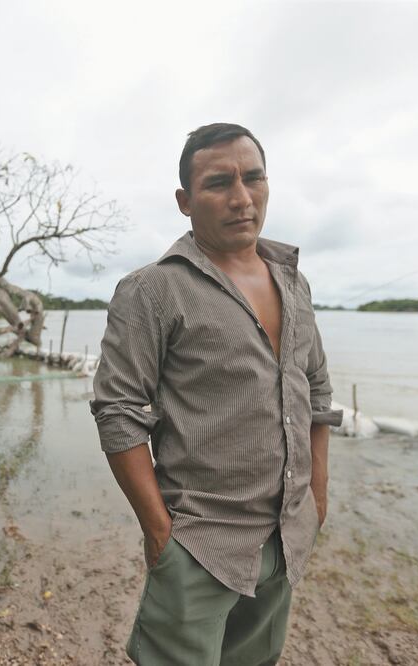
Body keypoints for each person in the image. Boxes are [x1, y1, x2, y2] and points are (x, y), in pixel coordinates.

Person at [90, 123, 342, 665]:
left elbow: (317, 392)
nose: (241, 198)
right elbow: (118, 411)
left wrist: (317, 498)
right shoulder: (154, 289)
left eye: (253, 178)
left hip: (286, 536)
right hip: (199, 542)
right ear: (185, 201)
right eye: (219, 183)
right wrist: (159, 532)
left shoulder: (294, 284)